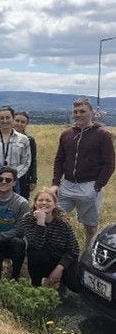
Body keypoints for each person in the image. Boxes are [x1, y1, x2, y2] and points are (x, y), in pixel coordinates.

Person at [51, 97, 114, 249]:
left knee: (90, 225)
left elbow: (109, 163)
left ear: (91, 112)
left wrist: (97, 186)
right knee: (55, 219)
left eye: (82, 111)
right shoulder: (66, 134)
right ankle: (59, 251)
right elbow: (59, 159)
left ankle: (87, 255)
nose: (78, 115)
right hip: (67, 185)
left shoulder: (102, 134)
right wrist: (55, 183)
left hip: (90, 185)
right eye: (75, 112)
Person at [17, 188, 80, 289]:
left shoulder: (63, 223)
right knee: (34, 252)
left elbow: (74, 249)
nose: (44, 203)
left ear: (54, 204)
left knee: (73, 269)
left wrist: (59, 268)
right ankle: (36, 286)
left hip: (60, 258)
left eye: (48, 200)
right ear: (35, 203)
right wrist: (41, 221)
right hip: (41, 258)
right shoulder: (28, 219)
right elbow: (36, 244)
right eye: (40, 200)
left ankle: (64, 287)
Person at [0, 106, 31, 196]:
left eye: (8, 117)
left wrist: (13, 177)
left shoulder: (23, 139)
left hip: (14, 183)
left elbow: (26, 162)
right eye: (2, 118)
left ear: (13, 119)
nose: (5, 120)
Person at [13, 110, 37, 196]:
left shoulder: (30, 140)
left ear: (26, 124)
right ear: (12, 121)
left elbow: (33, 160)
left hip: (23, 178)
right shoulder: (3, 138)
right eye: (17, 121)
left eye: (23, 122)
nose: (19, 124)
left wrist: (33, 180)